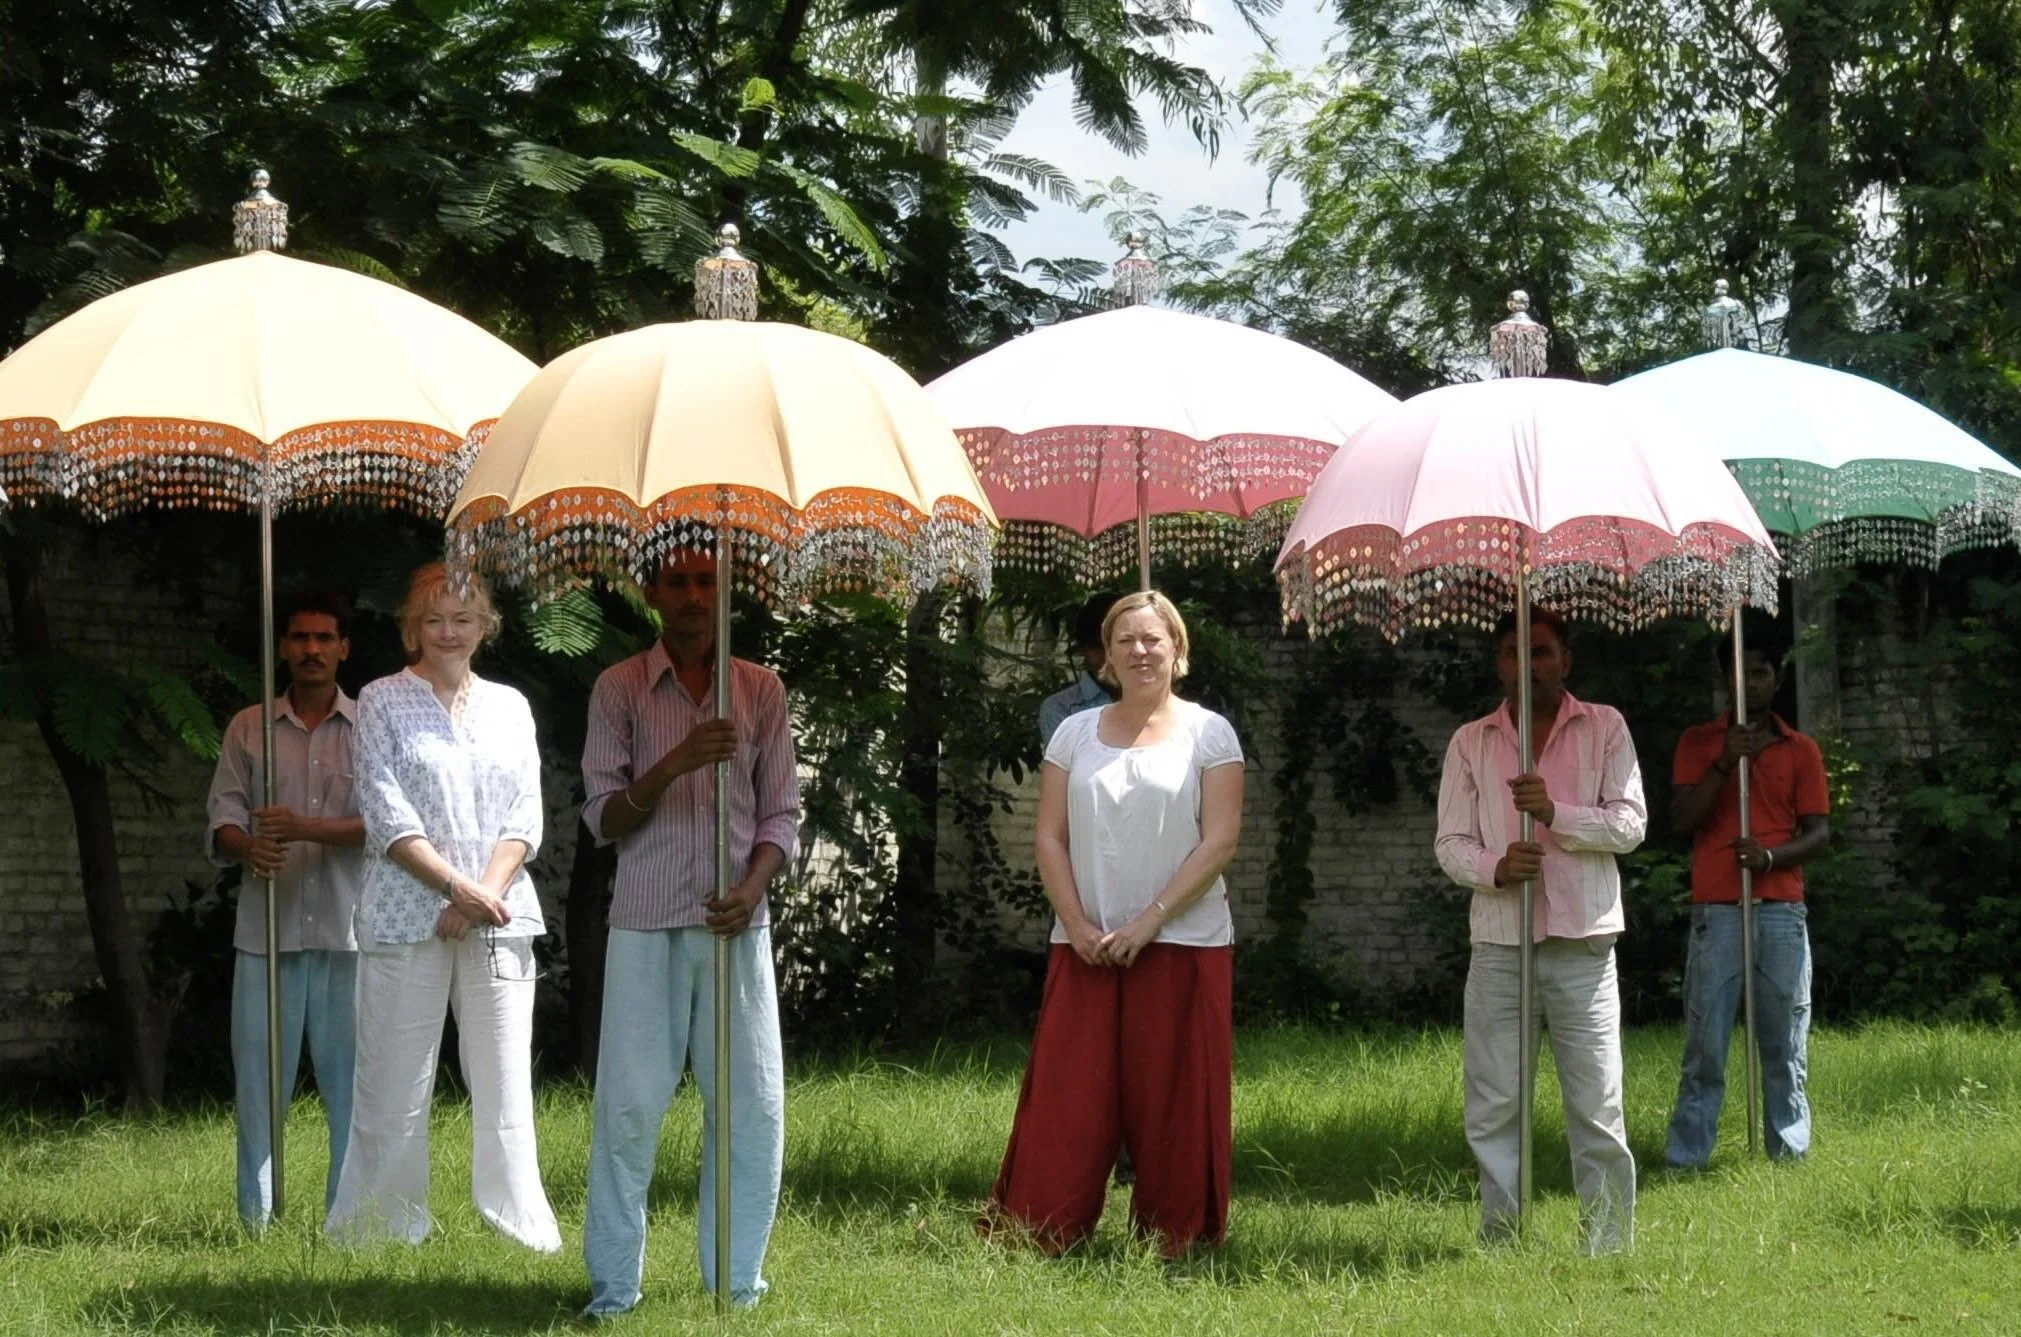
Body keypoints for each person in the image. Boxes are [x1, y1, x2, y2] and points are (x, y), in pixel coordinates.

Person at [985, 590, 1244, 1256]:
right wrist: (1074, 922)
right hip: (1086, 942)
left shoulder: (1210, 732)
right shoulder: (1073, 733)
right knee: (1069, 1096)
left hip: (1183, 940)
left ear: (1177, 649)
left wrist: (1148, 923)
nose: (1139, 651)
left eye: (1153, 639)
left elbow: (1218, 841)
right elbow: (1048, 836)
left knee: (1176, 1100)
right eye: (1125, 639)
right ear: (1104, 655)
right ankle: (1041, 1228)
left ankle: (1177, 1237)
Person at [579, 550, 801, 1315]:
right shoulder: (618, 689)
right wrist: (676, 760)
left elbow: (781, 815)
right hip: (645, 919)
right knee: (630, 1107)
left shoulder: (760, 689)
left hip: (735, 923)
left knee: (750, 1105)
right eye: (676, 581)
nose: (692, 595)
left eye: (706, 581)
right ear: (650, 593)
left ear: (725, 591)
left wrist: (751, 886)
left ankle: (735, 1283)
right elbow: (603, 818)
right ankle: (613, 1291)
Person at [326, 562, 560, 1252]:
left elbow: (525, 811)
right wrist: (454, 888)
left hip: (497, 916)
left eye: (462, 617)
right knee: (393, 1081)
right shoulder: (380, 699)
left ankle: (520, 1226)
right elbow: (383, 806)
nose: (449, 631)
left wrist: (480, 892)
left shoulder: (512, 705)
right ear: (411, 628)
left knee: (505, 1080)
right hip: (407, 913)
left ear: (485, 623)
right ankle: (378, 1227)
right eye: (434, 620)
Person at [1433, 608, 1645, 1253]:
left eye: (1543, 653)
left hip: (1582, 942)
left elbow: (1631, 824)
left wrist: (1556, 814)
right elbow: (1450, 843)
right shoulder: (1472, 741)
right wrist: (1496, 866)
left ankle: (1605, 1245)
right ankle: (1503, 1240)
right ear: (1498, 663)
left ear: (1566, 660)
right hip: (1501, 943)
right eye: (1512, 653)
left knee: (1596, 1105)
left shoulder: (1604, 726)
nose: (1528, 666)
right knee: (1495, 1101)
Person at [205, 589, 364, 1228]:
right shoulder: (249, 727)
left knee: (349, 1088)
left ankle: (346, 1218)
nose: (312, 650)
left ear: (344, 648)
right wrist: (246, 847)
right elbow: (223, 814)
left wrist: (304, 829)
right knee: (259, 1088)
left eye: (325, 638)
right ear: (282, 647)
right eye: (300, 638)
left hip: (347, 932)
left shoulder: (370, 725)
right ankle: (256, 1220)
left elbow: (389, 825)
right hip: (265, 935)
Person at [1666, 631, 1830, 1167]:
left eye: (1760, 672)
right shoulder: (1698, 741)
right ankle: (1689, 1155)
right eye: (1740, 672)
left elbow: (1819, 834)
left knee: (1785, 1041)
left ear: (1775, 680)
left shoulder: (1800, 749)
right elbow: (1681, 821)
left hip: (1781, 907)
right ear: (1724, 679)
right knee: (1706, 1041)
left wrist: (1769, 858)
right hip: (1718, 908)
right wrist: (1723, 763)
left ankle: (1788, 1150)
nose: (1751, 682)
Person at [1038, 594, 1118, 748]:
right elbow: (1066, 769)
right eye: (1097, 647)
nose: (1108, 656)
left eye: (1115, 645)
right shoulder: (1060, 708)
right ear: (1082, 649)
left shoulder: (1149, 700)